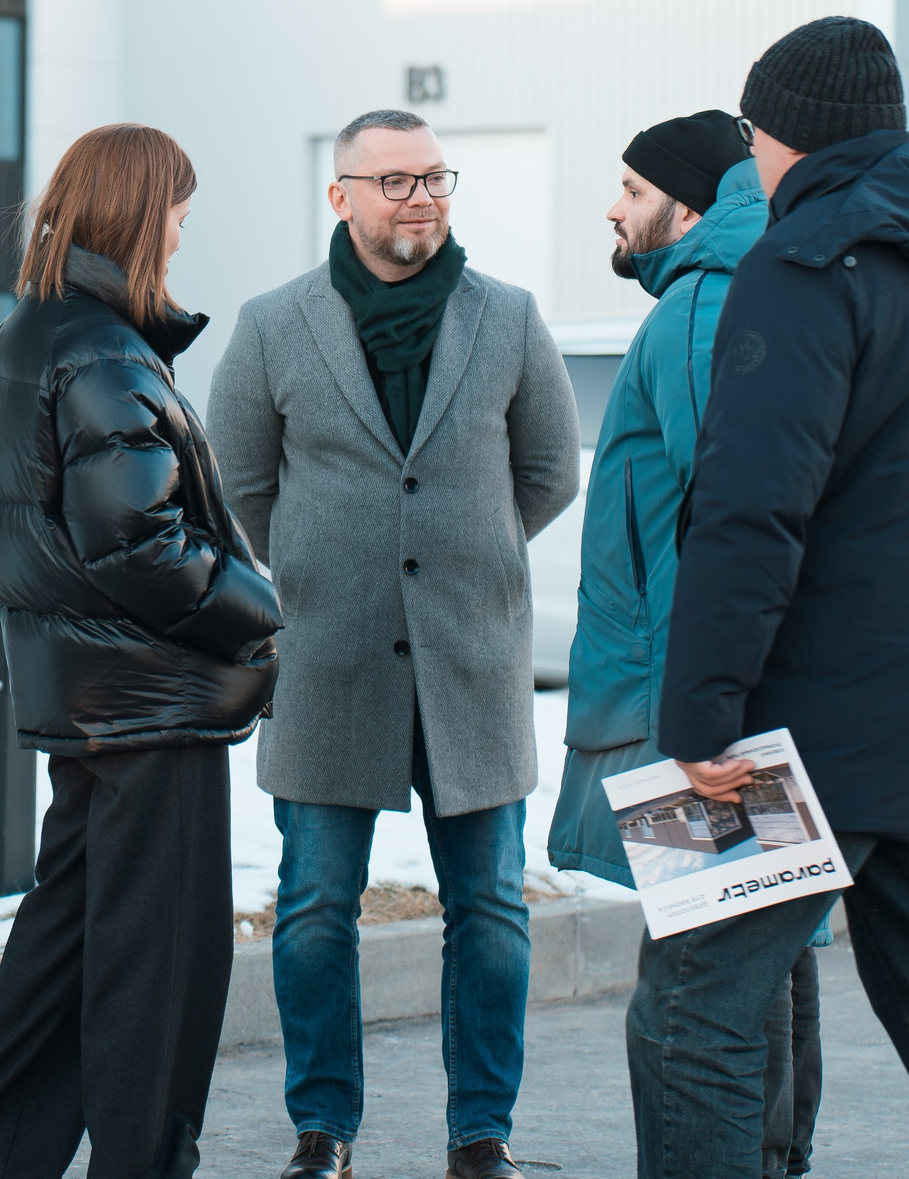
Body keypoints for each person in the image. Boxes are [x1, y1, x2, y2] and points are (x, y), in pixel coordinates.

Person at [628, 19, 909, 1179]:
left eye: (755, 136)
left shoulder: (802, 260)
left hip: (801, 720)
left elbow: (748, 510)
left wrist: (697, 719)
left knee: (692, 1003)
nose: (754, 164)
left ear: (786, 134)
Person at [0, 123, 283, 1179]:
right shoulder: (101, 351)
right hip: (149, 701)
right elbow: (140, 546)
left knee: (64, 954)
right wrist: (262, 605)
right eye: (177, 211)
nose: (180, 232)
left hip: (87, 699)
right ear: (135, 213)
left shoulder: (18, 339)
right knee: (157, 972)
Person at [209, 108, 580, 1179]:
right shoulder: (274, 323)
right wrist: (321, 567)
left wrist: (469, 549)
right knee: (319, 905)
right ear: (342, 197)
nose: (420, 198)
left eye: (434, 178)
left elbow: (549, 470)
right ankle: (322, 1128)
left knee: (493, 910)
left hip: (472, 659)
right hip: (329, 659)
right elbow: (241, 483)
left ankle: (481, 1133)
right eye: (395, 181)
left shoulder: (505, 316)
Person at [542, 111, 826, 1175]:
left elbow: (724, 519)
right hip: (717, 692)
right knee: (764, 954)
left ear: (690, 204)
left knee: (706, 986)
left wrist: (707, 711)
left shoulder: (706, 301)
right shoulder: (733, 290)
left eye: (628, 185)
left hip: (703, 704)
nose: (612, 207)